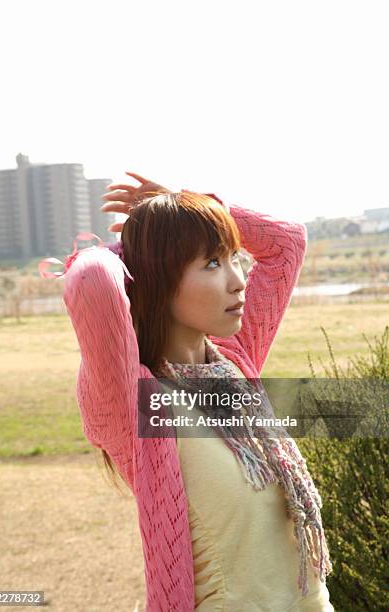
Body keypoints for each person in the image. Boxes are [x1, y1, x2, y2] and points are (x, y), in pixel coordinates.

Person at [47, 172, 334, 611]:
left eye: (234, 257)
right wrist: (144, 239)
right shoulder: (137, 401)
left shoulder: (235, 362)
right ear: (158, 279)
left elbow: (286, 243)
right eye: (212, 264)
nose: (238, 280)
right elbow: (90, 284)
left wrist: (184, 204)